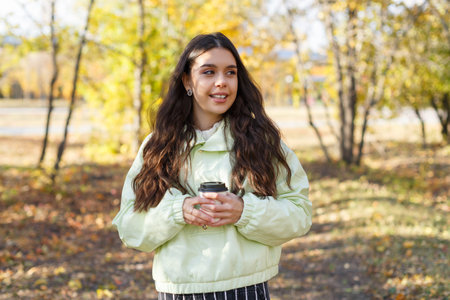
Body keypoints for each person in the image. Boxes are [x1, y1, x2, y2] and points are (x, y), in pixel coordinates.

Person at [112, 32, 312, 300]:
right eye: (209, 72)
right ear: (187, 81)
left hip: (247, 289)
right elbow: (129, 226)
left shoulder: (261, 142)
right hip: (179, 292)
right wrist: (177, 211)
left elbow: (299, 214)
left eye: (230, 73)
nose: (222, 82)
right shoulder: (159, 147)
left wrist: (244, 211)